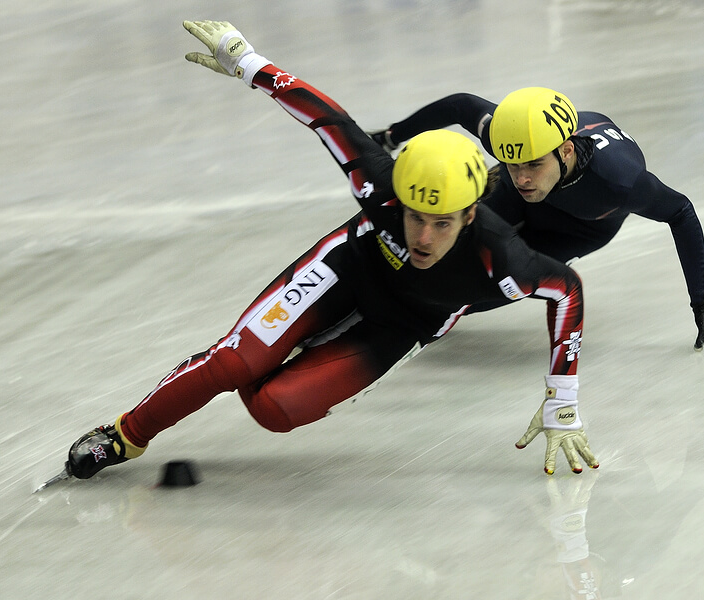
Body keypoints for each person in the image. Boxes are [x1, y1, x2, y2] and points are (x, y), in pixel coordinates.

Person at [59, 20, 601, 485]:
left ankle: (274, 349)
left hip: (402, 322)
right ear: (398, 200)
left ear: (470, 215)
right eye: (414, 216)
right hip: (349, 266)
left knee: (271, 408)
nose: (423, 238)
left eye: (442, 224)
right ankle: (126, 434)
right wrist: (248, 63)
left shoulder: (501, 256)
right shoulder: (381, 184)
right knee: (234, 362)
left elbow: (567, 292)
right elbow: (330, 120)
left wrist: (563, 400)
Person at [370, 91, 704, 351]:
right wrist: (390, 137)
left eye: (533, 164)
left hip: (583, 226)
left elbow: (681, 211)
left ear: (566, 150)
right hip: (532, 201)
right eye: (513, 162)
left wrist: (701, 303)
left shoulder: (619, 182)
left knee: (496, 280)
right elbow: (459, 106)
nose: (522, 175)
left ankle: (409, 313)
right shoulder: (518, 144)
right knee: (446, 229)